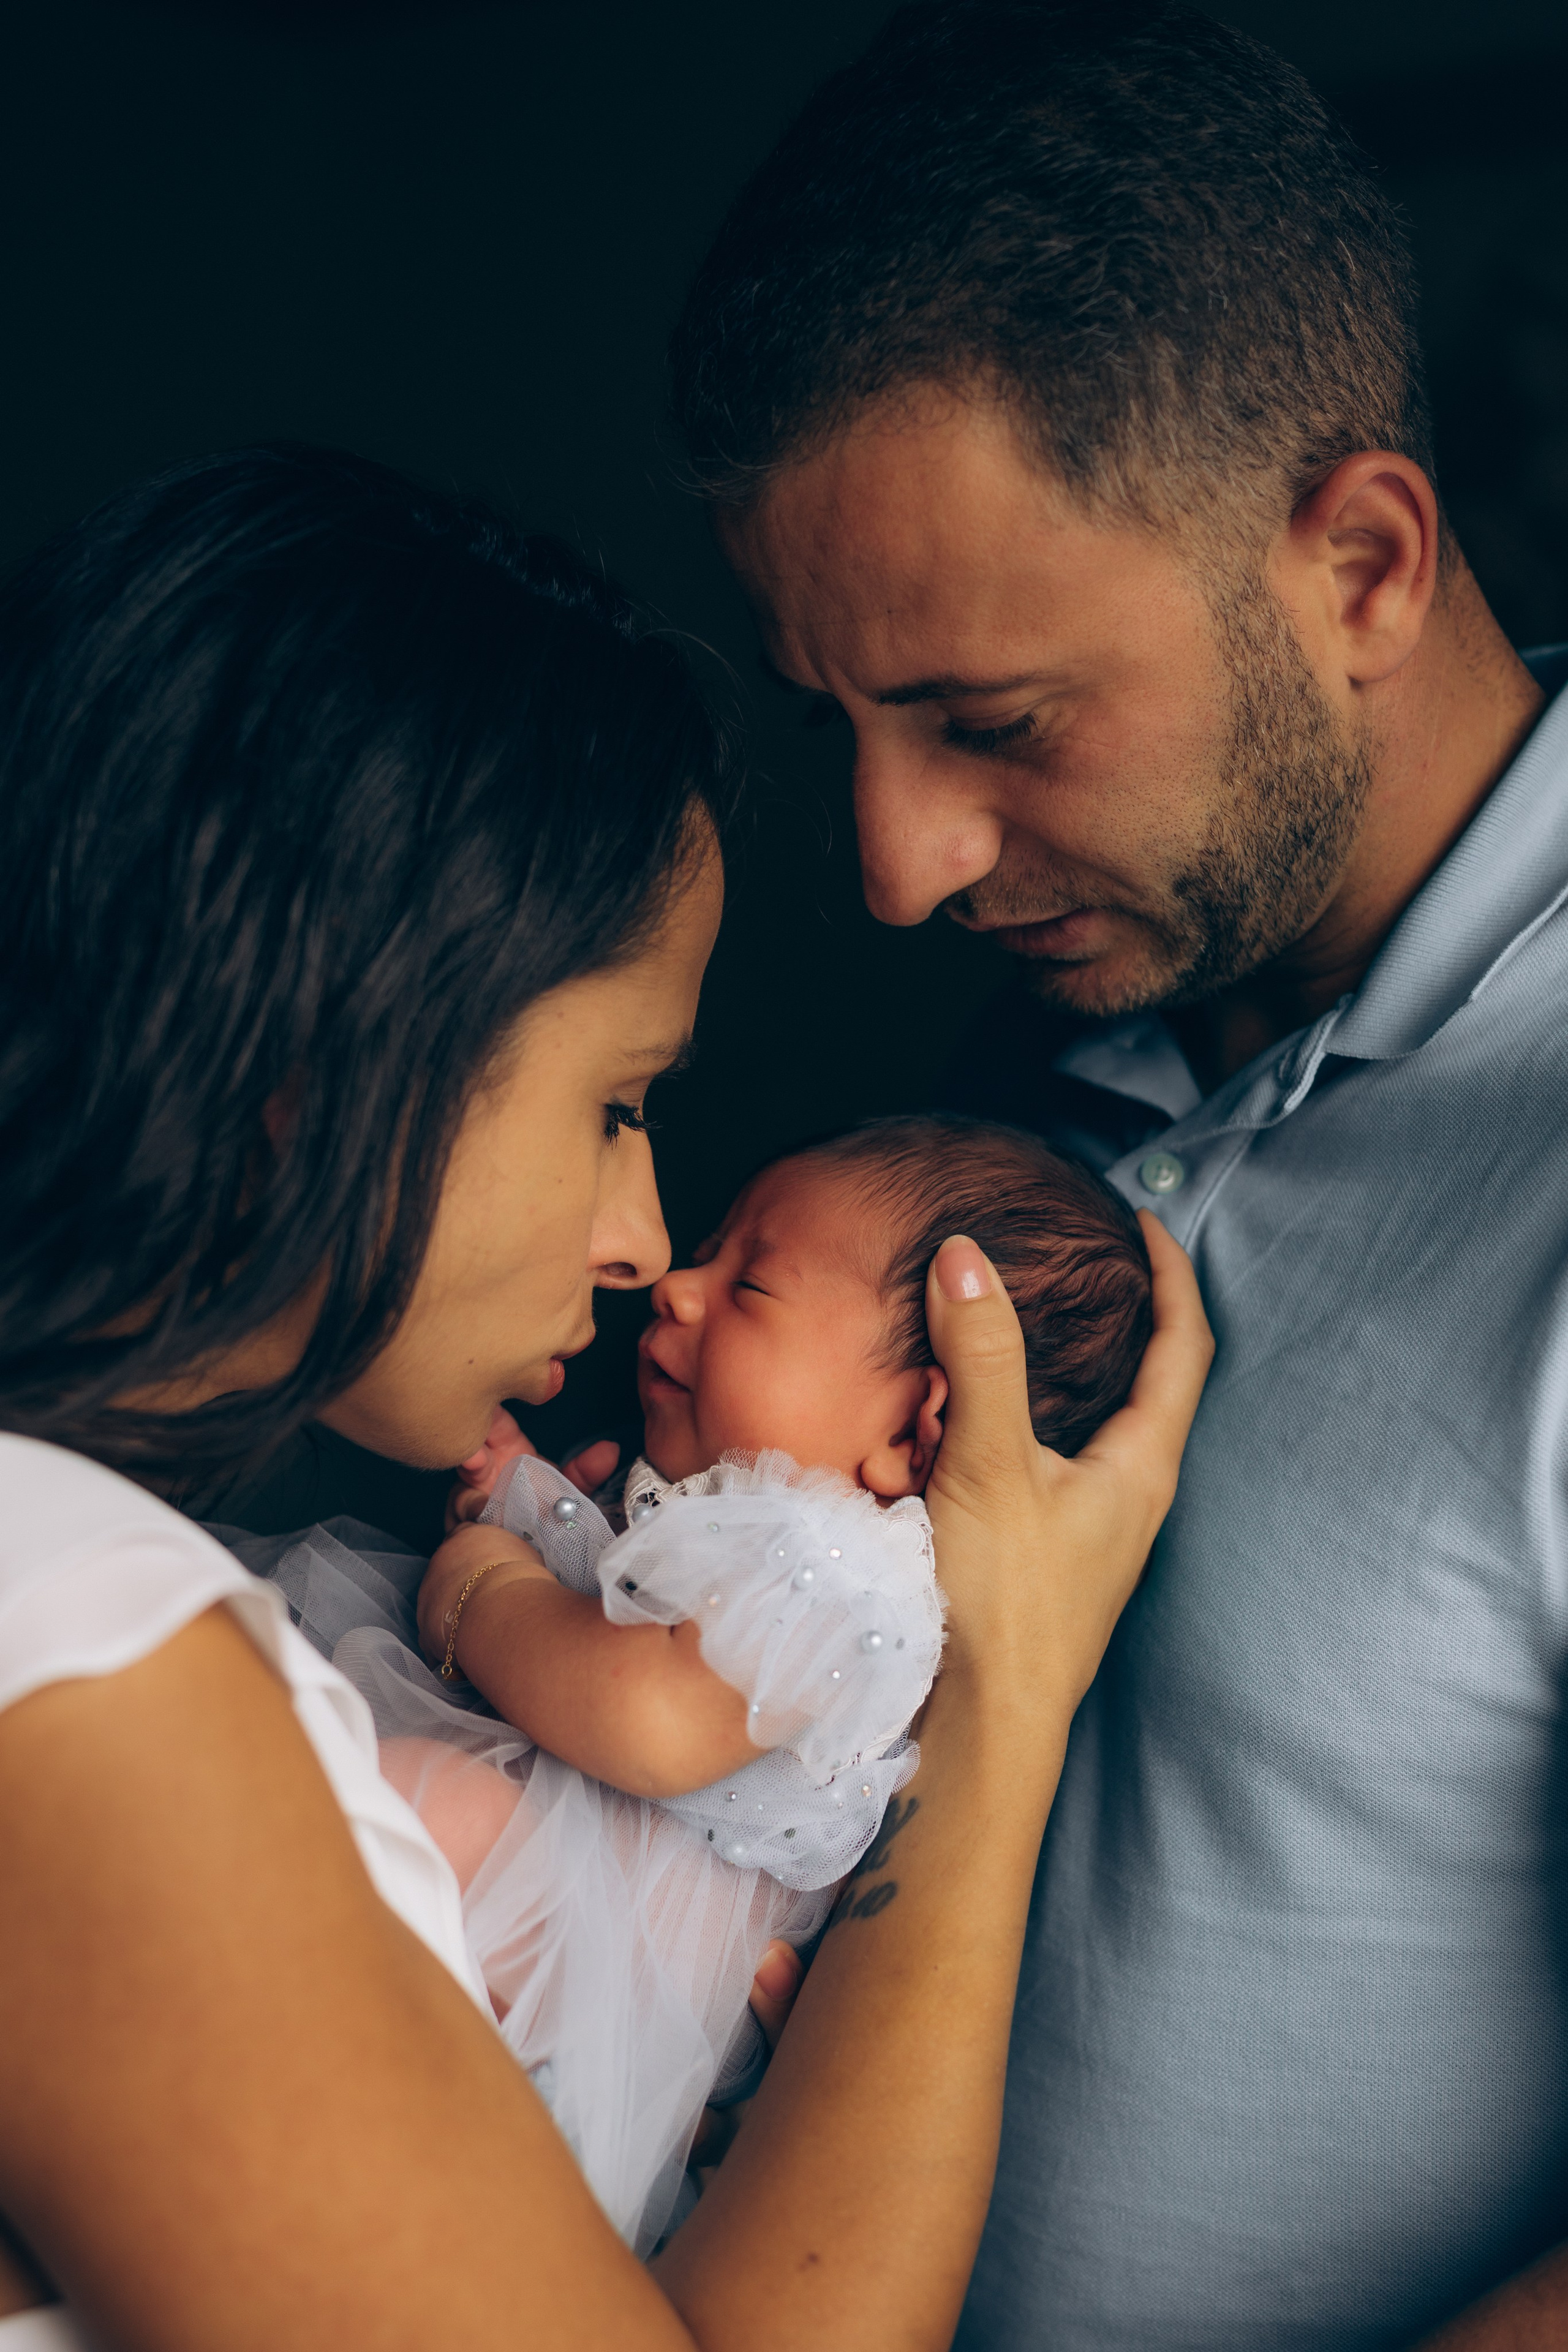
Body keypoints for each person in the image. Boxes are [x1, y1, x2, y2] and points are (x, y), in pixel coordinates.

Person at [0, 443, 1210, 2351]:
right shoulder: (74, 1662)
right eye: (619, 1102)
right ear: (334, 1041)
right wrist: (1004, 1719)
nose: (648, 1238)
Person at [670, 3, 1568, 2346]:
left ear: (1363, 563)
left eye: (993, 724)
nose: (892, 865)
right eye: (833, 723)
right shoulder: (1032, 1066)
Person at [261, 1116, 1150, 2254]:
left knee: (416, 1800)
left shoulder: (848, 1575)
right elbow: (622, 1646)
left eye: (754, 1286)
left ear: (914, 1434)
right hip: (563, 1947)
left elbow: (649, 1720)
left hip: (602, 1978)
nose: (679, 1286)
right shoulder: (751, 1538)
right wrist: (529, 1504)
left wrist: (480, 1584)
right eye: (713, 1252)